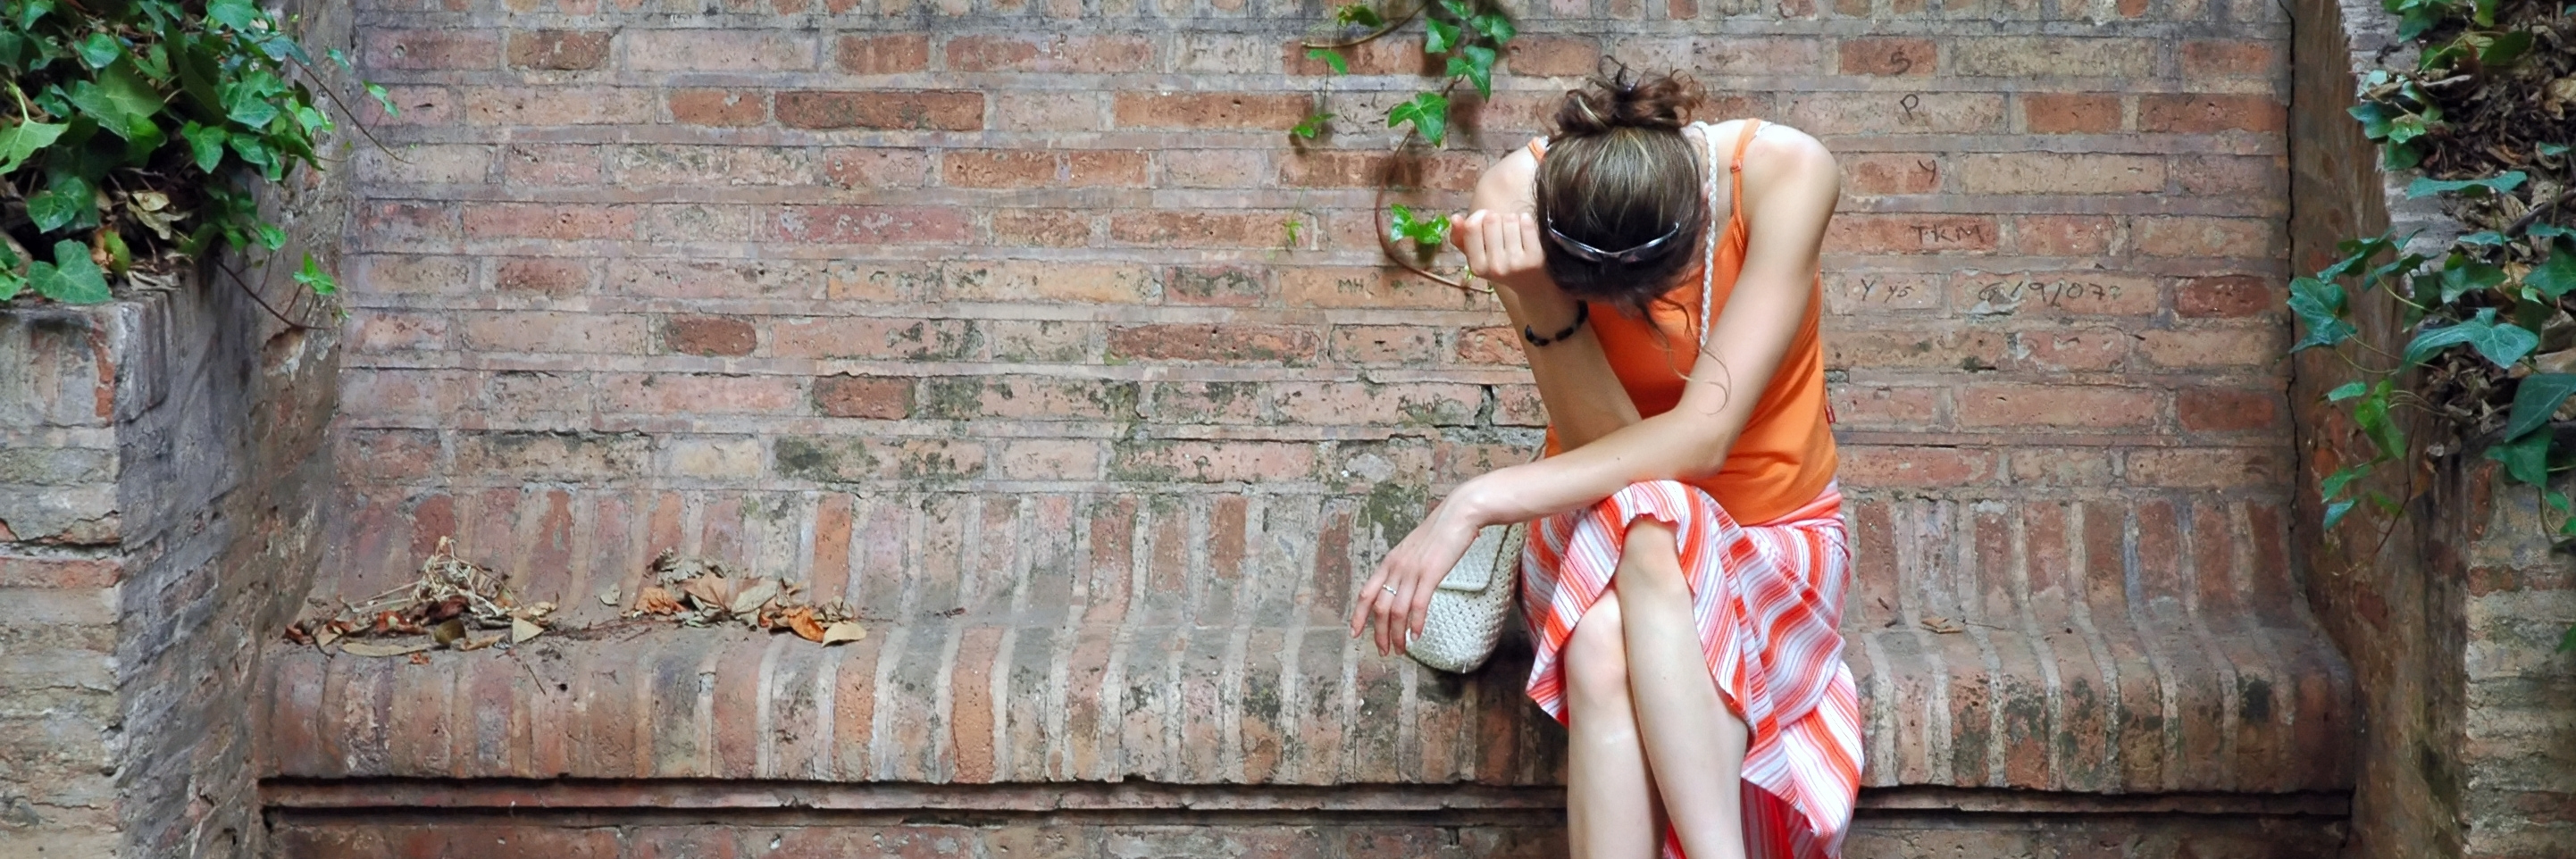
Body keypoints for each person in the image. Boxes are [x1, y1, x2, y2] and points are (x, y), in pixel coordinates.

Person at [1350, 68, 1857, 859]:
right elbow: (1614, 443)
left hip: (1773, 540)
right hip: (1594, 537)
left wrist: (1478, 499)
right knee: (1651, 517)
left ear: (1694, 221)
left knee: (1603, 636)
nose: (1633, 321)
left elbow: (1698, 446)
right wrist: (1539, 299)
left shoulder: (1786, 174)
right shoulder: (1512, 194)